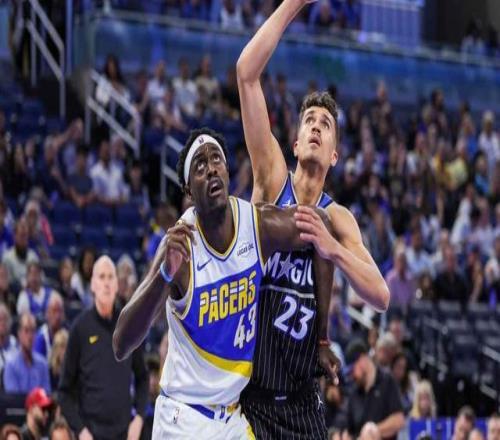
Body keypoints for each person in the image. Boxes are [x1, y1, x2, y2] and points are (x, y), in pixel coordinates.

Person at [113, 128, 339, 438]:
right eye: (199, 165)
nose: (210, 169)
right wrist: (163, 276)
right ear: (188, 189)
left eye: (216, 159)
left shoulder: (256, 225)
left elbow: (321, 225)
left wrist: (322, 339)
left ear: (227, 170)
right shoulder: (180, 247)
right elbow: (121, 343)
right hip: (183, 419)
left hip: (232, 417)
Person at [236, 0, 390, 436]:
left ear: (335, 155)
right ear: (296, 142)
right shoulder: (271, 176)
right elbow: (246, 73)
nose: (317, 126)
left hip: (304, 401)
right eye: (309, 121)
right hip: (252, 396)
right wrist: (293, 4)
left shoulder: (337, 218)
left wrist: (332, 249)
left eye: (326, 123)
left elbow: (380, 295)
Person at [59, 256, 148, 440]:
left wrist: (139, 419)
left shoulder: (128, 325)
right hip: (91, 434)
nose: (106, 283)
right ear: (92, 284)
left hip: (124, 435)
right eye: (101, 277)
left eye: (110, 277)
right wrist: (81, 431)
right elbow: (64, 392)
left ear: (116, 284)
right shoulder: (80, 329)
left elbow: (143, 377)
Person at [342, 339, 405, 440]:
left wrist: (375, 430)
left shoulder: (387, 381)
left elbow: (399, 420)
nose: (352, 376)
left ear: (362, 360)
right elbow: (348, 430)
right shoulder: (354, 392)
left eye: (353, 370)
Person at [3, 312, 51, 394]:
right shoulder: (10, 365)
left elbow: (47, 395)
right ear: (19, 334)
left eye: (33, 331)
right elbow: (13, 398)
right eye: (26, 330)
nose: (30, 336)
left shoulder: (43, 364)